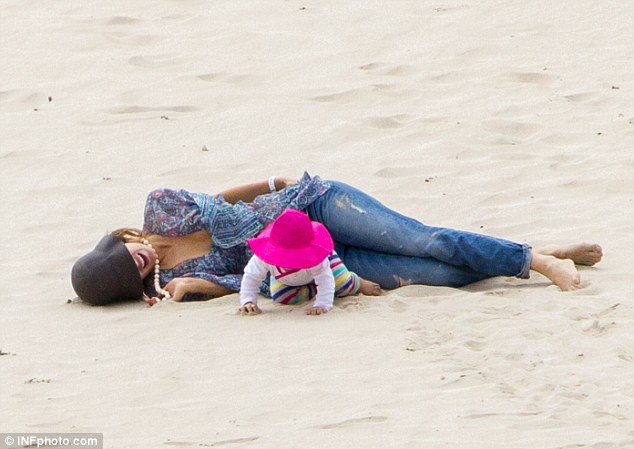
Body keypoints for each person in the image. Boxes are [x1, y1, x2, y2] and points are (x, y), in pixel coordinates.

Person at [71, 172, 603, 307]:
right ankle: (536, 251)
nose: (137, 258)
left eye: (124, 252)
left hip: (316, 204)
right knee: (439, 276)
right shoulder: (185, 280)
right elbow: (244, 281)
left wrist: (280, 184)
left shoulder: (160, 207)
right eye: (130, 270)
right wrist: (190, 288)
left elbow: (227, 198)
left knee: (424, 242)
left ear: (118, 239)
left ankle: (534, 259)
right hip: (325, 258)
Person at [239, 209, 381, 316]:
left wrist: (322, 304)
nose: (289, 260)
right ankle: (313, 290)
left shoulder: (314, 255)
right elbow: (251, 277)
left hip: (326, 266)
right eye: (284, 255)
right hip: (288, 280)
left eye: (293, 255)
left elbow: (325, 278)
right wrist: (248, 301)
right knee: (281, 297)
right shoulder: (265, 256)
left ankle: (356, 282)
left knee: (343, 284)